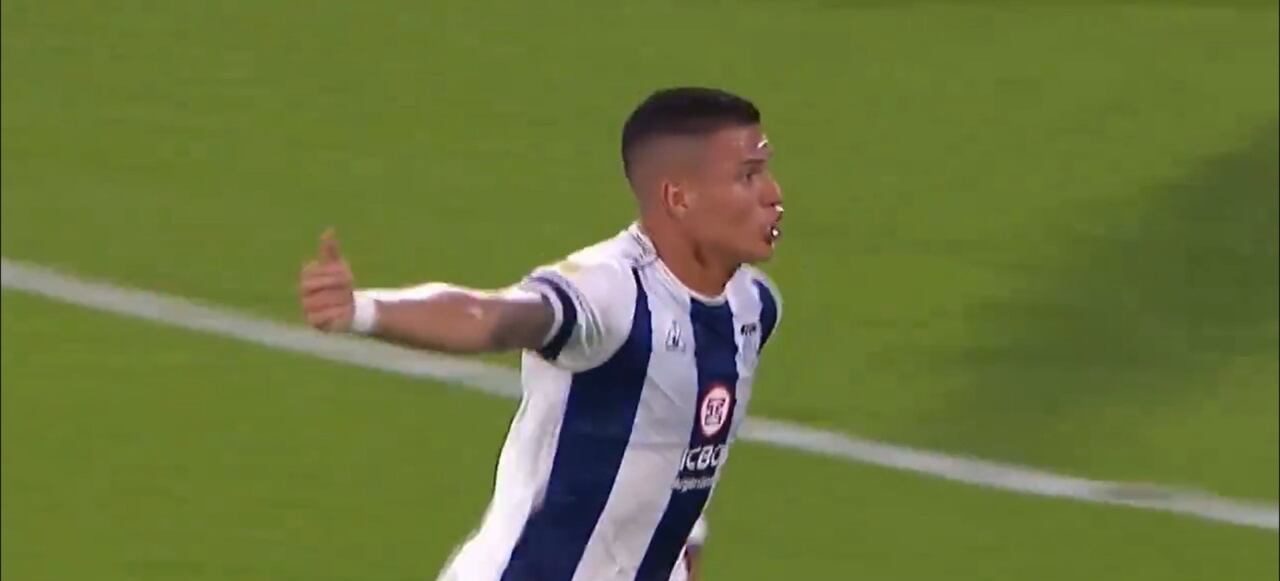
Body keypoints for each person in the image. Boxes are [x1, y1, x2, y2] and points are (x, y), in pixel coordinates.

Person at [298, 87, 784, 581]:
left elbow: (681, 444)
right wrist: (364, 310)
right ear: (678, 197)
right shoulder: (609, 291)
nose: (774, 195)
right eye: (748, 176)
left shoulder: (753, 306)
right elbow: (490, 317)